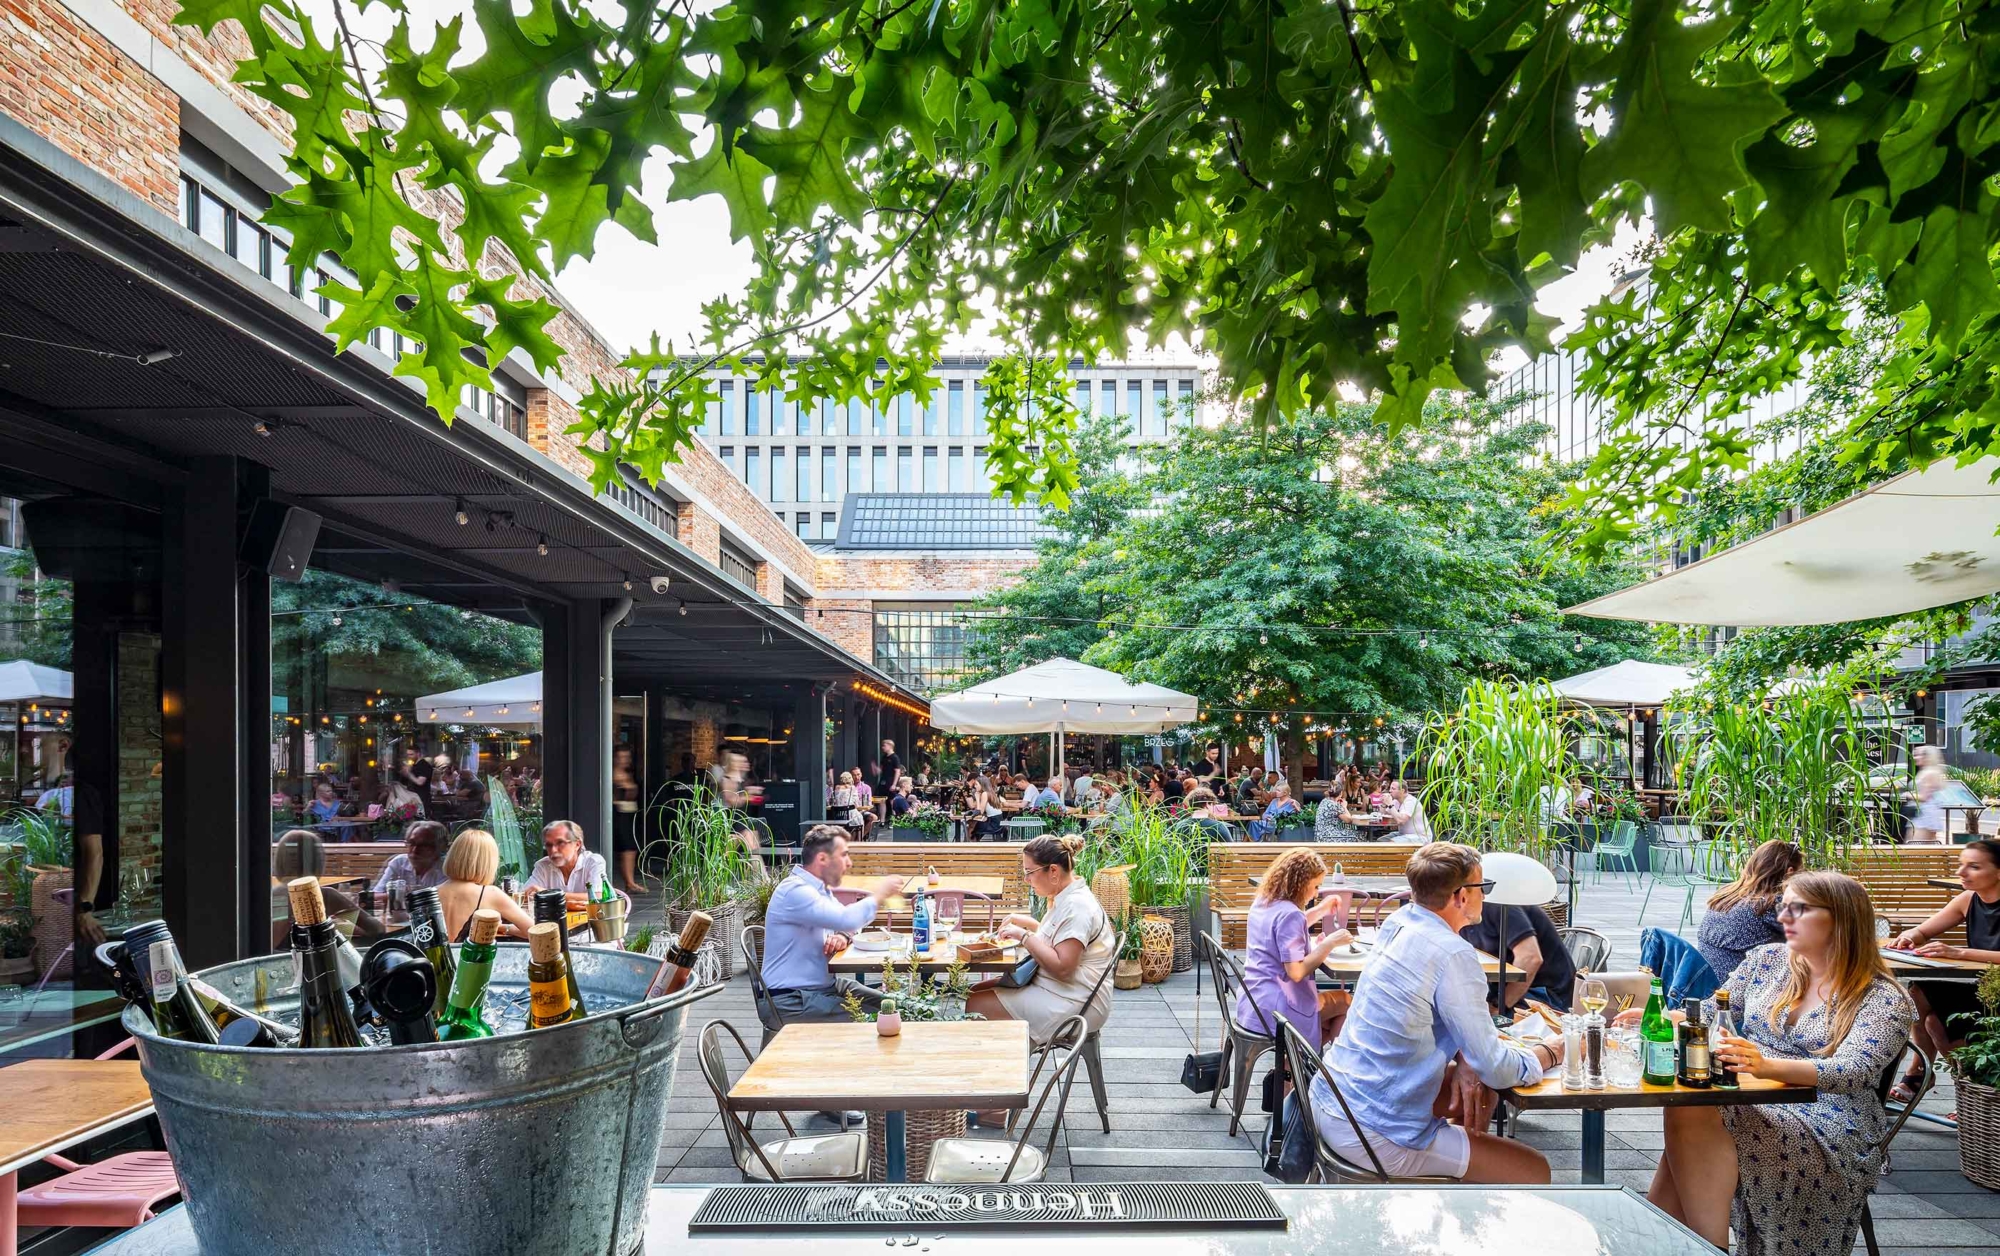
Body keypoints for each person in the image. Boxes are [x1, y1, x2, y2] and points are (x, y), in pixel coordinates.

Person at [1617, 871, 1914, 1254]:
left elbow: (1853, 1072)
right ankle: (1665, 1244)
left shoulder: (1883, 998)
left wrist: (1764, 1065)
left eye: (1799, 909)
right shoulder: (1768, 962)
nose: (1784, 918)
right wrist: (1656, 1016)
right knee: (1692, 1105)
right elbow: (1712, 1011)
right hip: (1750, 1094)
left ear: (1841, 919)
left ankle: (1694, 1246)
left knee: (1692, 1108)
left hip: (1827, 1116)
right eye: (1783, 907)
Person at [1312, 842, 1555, 1182]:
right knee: (1535, 1171)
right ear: (1461, 896)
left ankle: (1452, 1204)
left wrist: (1468, 1058)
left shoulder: (1398, 923)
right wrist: (1548, 1053)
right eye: (1483, 887)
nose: (1485, 895)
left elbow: (1428, 1017)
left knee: (1476, 1092)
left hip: (1332, 1097)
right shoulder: (1454, 954)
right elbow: (1497, 1069)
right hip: (1374, 1132)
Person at [967, 835, 1116, 1045]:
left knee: (976, 1003)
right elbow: (1059, 940)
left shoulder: (1077, 907)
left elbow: (1064, 968)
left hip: (1076, 1002)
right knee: (975, 991)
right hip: (1061, 990)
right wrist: (1028, 923)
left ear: (1053, 870)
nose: (1027, 880)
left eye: (1030, 872)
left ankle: (1003, 1066)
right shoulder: (1067, 896)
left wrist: (1024, 936)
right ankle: (1000, 1061)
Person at [1889, 838, 2000, 1101]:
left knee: (1934, 1020)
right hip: (1982, 988)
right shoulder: (1968, 899)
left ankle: (1974, 1091)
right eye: (1961, 865)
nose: (1961, 873)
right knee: (1919, 997)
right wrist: (1910, 937)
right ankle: (1921, 1075)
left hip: (1994, 996)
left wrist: (1958, 953)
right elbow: (1923, 930)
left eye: (1973, 867)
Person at [760, 825, 901, 1020]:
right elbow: (848, 919)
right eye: (843, 855)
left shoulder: (815, 889)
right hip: (791, 999)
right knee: (882, 1018)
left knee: (895, 1006)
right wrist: (880, 894)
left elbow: (847, 921)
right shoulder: (796, 891)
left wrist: (843, 935)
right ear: (823, 859)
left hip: (821, 987)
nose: (849, 863)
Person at [1239, 849, 1352, 1048]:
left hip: (1253, 1001)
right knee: (1345, 1001)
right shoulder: (1291, 914)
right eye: (1316, 886)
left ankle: (1290, 1070)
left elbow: (1283, 930)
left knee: (1326, 1020)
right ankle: (1312, 1067)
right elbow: (1297, 971)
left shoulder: (1263, 902)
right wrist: (1328, 944)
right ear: (1300, 884)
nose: (1317, 893)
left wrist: (1321, 910)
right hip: (1279, 1007)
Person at [1696, 839, 1802, 985]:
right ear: (1790, 873)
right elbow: (1813, 939)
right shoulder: (1770, 904)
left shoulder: (1726, 895)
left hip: (1702, 983)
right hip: (1732, 991)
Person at [273, 829, 384, 949]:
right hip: (316, 965)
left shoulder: (272, 895)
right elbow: (377, 928)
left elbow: (273, 941)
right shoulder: (325, 895)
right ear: (316, 862)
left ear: (280, 860)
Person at [1459, 901, 1577, 1012]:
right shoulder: (1459, 916)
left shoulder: (1500, 904)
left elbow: (1531, 958)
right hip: (1503, 989)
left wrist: (1499, 1006)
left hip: (1547, 996)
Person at [436, 828, 535, 940]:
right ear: (488, 863)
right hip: (470, 957)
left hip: (434, 957)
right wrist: (503, 927)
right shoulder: (490, 894)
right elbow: (534, 932)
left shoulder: (431, 893)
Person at [527, 819, 611, 909]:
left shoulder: (593, 862)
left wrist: (548, 895)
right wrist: (564, 903)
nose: (553, 850)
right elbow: (527, 896)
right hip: (553, 921)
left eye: (560, 843)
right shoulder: (543, 866)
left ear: (577, 844)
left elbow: (597, 898)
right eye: (549, 845)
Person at [372, 820, 450, 896]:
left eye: (423, 845)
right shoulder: (399, 862)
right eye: (412, 843)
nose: (415, 850)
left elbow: (441, 900)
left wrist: (396, 896)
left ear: (439, 847)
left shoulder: (447, 868)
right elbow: (377, 895)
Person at [1907, 746, 1949, 844]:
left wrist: (1908, 795)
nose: (1915, 758)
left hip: (1923, 815)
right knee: (1925, 846)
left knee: (1915, 847)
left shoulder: (1929, 773)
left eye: (1919, 755)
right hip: (1925, 814)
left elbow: (1924, 797)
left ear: (1928, 757)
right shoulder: (1929, 772)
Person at [1315, 770, 1361, 842]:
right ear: (1340, 793)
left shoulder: (1324, 801)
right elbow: (1349, 820)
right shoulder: (1335, 805)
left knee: (1354, 833)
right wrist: (1344, 807)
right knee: (1359, 835)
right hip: (1329, 837)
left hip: (1321, 836)